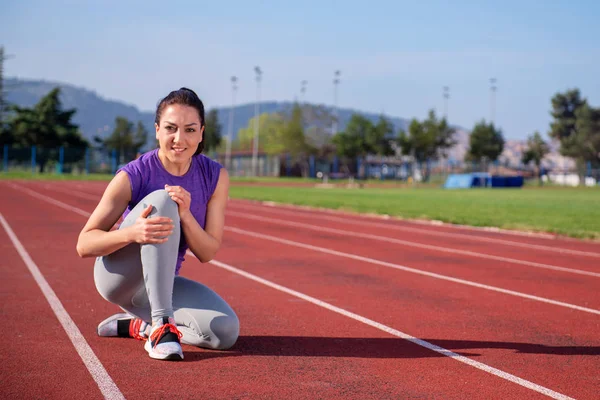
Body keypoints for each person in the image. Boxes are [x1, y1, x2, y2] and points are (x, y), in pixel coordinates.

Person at [76, 87, 239, 361]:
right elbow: (84, 243)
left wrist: (186, 215)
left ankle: (143, 326)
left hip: (162, 285)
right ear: (157, 131)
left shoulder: (214, 177)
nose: (179, 139)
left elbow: (208, 252)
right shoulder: (135, 174)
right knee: (163, 200)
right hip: (119, 279)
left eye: (189, 129)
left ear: (201, 133)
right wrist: (132, 233)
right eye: (170, 128)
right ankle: (162, 325)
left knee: (224, 332)